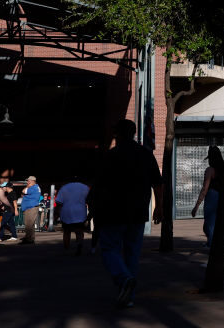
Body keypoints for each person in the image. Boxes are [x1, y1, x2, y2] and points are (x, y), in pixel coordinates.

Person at [91, 119, 163, 309]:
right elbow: (158, 183)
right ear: (133, 133)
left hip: (113, 212)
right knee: (132, 253)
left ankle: (124, 279)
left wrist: (93, 207)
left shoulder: (110, 156)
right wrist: (159, 207)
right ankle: (128, 295)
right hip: (138, 212)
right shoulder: (146, 155)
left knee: (109, 249)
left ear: (117, 134)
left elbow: (98, 186)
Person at [191, 145, 224, 249]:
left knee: (210, 222)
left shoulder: (210, 170)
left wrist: (196, 206)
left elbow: (205, 188)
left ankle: (211, 243)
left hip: (212, 196)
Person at [56, 176, 91, 255]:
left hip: (66, 211)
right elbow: (90, 200)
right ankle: (79, 245)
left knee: (67, 231)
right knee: (79, 231)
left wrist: (58, 213)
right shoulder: (85, 187)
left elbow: (59, 202)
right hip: (80, 212)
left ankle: (66, 247)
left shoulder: (64, 187)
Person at [20, 175, 41, 244]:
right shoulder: (35, 187)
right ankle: (30, 238)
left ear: (32, 181)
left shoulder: (33, 187)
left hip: (31, 207)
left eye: (28, 181)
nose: (27, 182)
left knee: (28, 224)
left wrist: (27, 186)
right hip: (30, 207)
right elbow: (22, 195)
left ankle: (28, 239)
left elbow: (23, 191)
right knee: (30, 224)